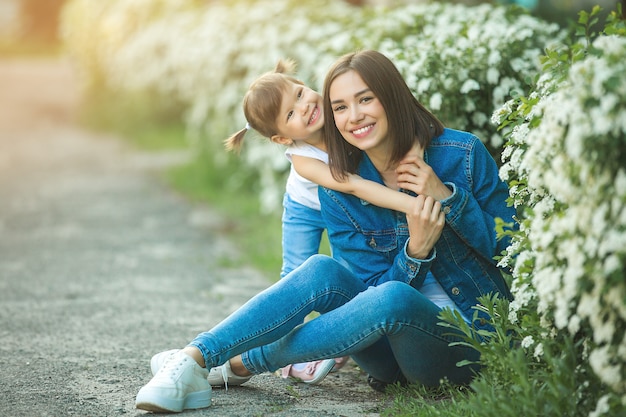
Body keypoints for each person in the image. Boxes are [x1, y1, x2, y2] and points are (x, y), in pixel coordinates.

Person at [134, 49, 516, 413]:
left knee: (394, 298)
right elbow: (365, 297)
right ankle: (191, 359)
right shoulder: (338, 191)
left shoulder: (461, 155)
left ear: (391, 95)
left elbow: (512, 250)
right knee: (321, 270)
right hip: (388, 357)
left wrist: (448, 198)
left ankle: (238, 362)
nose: (354, 116)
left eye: (366, 99)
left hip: (467, 344)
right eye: (340, 107)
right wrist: (414, 253)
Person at [222, 58, 417, 383]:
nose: (304, 106)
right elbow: (354, 184)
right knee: (295, 277)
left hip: (343, 206)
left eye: (299, 94)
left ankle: (343, 329)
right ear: (283, 139)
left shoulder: (341, 109)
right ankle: (278, 352)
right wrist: (412, 205)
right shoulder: (303, 161)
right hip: (306, 208)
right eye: (290, 114)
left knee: (347, 269)